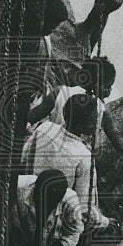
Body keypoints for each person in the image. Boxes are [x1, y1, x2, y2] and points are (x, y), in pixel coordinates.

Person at [22, 94, 109, 227]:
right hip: (53, 224)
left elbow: (23, 159)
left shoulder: (43, 129)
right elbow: (83, 208)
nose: (97, 125)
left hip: (25, 205)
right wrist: (105, 221)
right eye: (93, 120)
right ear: (81, 125)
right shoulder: (83, 156)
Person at [10, 169, 84, 246]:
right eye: (41, 202)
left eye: (50, 205)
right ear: (34, 190)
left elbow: (73, 234)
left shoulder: (70, 201)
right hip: (18, 241)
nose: (45, 208)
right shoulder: (18, 186)